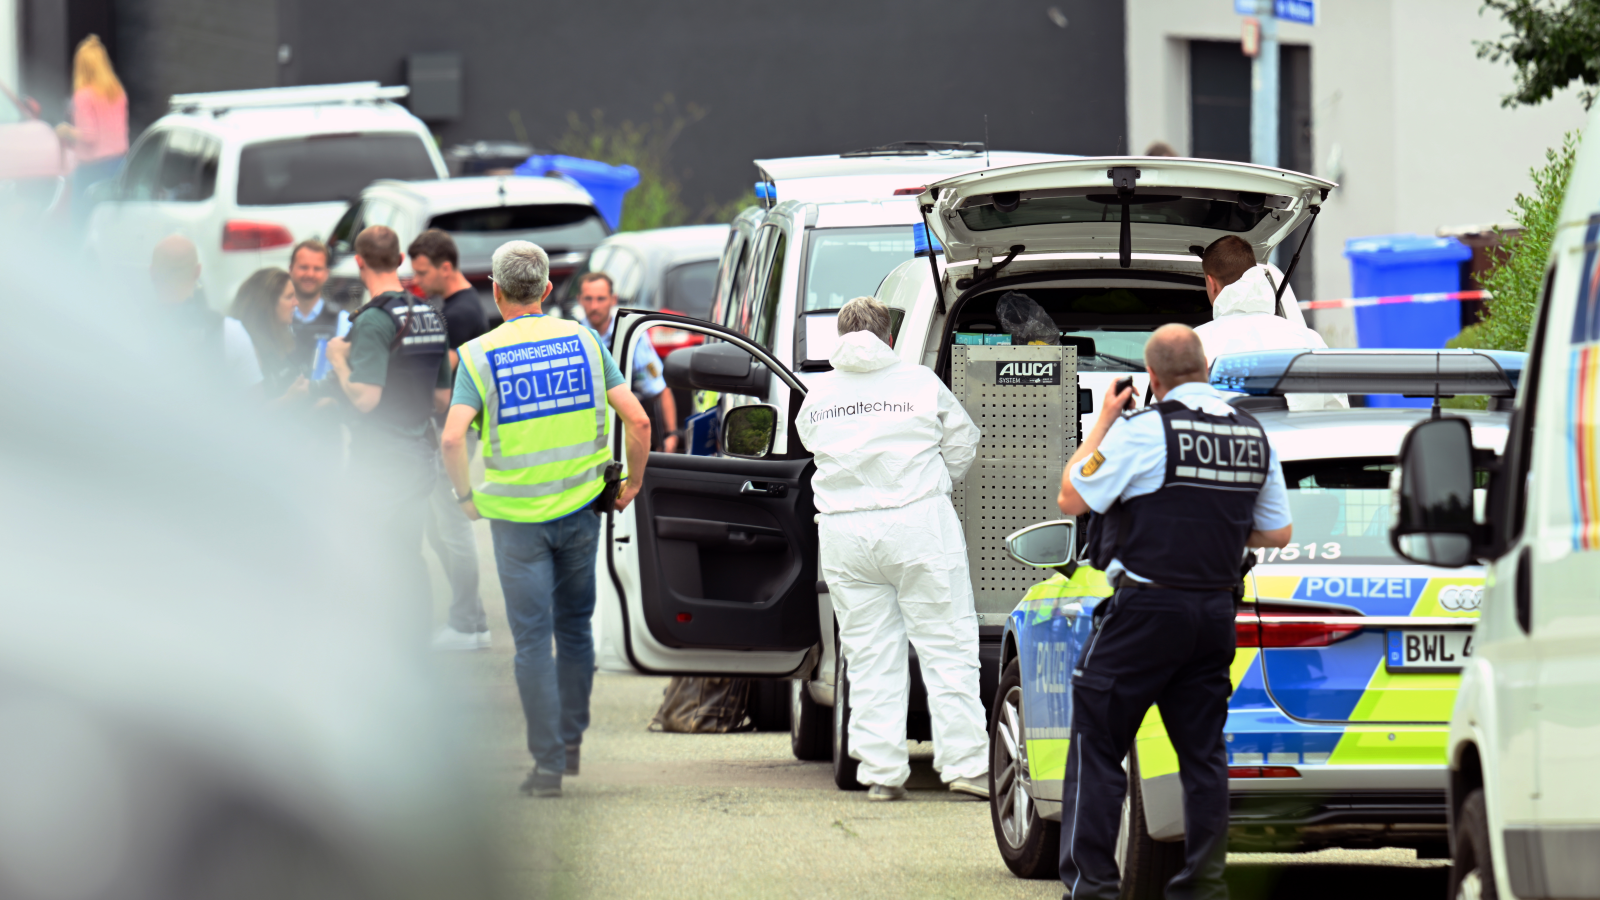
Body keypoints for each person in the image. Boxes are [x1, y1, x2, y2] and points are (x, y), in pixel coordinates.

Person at [1054, 324, 1293, 900]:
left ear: (1153, 379)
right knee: (1203, 756)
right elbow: (1277, 531)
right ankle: (1203, 889)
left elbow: (1072, 496)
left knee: (1098, 743)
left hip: (1145, 612)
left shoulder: (1143, 431)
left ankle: (1094, 889)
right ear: (1207, 369)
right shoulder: (1251, 435)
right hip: (1214, 615)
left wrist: (1104, 423)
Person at [440, 241, 651, 798]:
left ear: (496, 290)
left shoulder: (478, 355)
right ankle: (572, 739)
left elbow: (451, 436)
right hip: (582, 511)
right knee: (575, 629)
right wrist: (632, 482)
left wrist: (465, 497)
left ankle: (548, 766)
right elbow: (639, 418)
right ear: (550, 289)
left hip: (515, 521)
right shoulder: (584, 340)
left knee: (533, 642)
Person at [794, 296, 989, 802]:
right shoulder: (919, 383)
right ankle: (965, 766)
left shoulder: (819, 394)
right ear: (887, 337)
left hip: (845, 534)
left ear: (840, 337)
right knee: (947, 645)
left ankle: (881, 771)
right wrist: (934, 484)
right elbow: (964, 439)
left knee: (868, 652)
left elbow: (812, 446)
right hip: (917, 525)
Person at [323, 226, 453, 633]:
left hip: (382, 459)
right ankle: (412, 645)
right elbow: (442, 401)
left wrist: (339, 361)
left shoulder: (374, 321)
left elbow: (365, 398)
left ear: (359, 262)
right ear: (400, 261)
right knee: (406, 554)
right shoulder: (431, 314)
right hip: (420, 454)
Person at [409, 229, 492, 650]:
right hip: (450, 428)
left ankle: (467, 625)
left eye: (423, 272)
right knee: (442, 527)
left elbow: (439, 372)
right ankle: (471, 618)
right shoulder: (453, 306)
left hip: (453, 430)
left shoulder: (461, 314)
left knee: (453, 526)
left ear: (446, 266)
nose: (418, 280)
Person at [1193, 235, 1346, 411]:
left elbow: (1174, 418)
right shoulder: (1310, 340)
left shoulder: (1196, 343)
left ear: (1211, 283)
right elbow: (1336, 412)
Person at [577, 273, 680, 453]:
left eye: (601, 299)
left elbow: (658, 389)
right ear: (579, 300)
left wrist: (670, 435)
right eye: (588, 299)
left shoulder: (632, 338)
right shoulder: (572, 336)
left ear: (613, 299)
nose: (594, 306)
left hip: (624, 436)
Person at [150, 234, 263, 391]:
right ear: (197, 272)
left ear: (152, 272)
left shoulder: (126, 330)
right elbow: (255, 407)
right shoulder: (230, 331)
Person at [57, 35, 127, 233]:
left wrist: (66, 130)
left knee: (82, 225)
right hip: (118, 164)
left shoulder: (83, 95)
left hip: (91, 169)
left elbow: (89, 135)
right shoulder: (117, 91)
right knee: (112, 225)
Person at [230, 267, 310, 402]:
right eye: (289, 297)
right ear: (267, 303)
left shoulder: (287, 337)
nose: (296, 302)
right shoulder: (248, 350)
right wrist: (289, 399)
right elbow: (249, 415)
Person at [288, 239, 340, 369]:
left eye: (317, 269)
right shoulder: (273, 316)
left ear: (326, 274)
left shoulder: (342, 321)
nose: (310, 274)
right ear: (290, 269)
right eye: (303, 267)